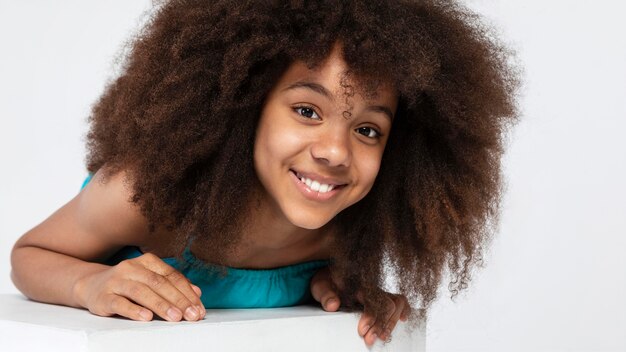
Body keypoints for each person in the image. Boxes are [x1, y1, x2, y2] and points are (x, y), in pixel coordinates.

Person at [10, 0, 519, 346]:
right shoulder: (147, 197)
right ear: (244, 107)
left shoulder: (345, 226)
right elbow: (27, 255)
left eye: (368, 131)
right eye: (307, 111)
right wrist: (89, 285)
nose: (335, 152)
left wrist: (338, 286)